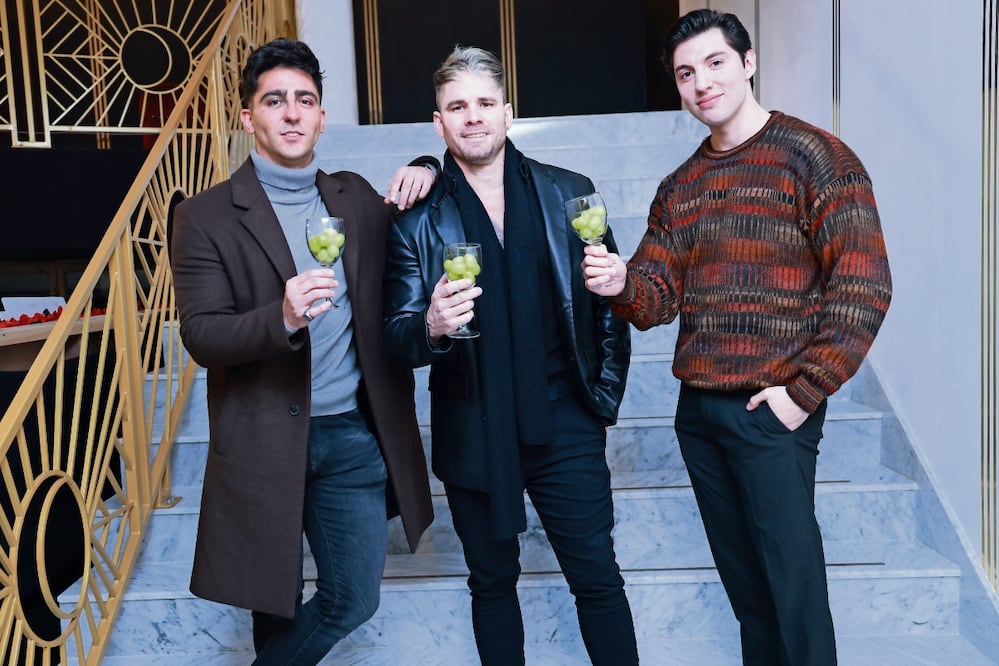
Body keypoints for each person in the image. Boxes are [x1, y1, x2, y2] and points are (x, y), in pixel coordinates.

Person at [582, 9, 892, 665]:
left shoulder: (816, 157)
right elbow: (655, 298)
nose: (701, 83)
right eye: (684, 73)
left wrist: (802, 393)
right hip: (699, 412)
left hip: (771, 408)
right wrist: (621, 283)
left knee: (793, 590)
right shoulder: (680, 186)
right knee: (749, 595)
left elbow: (864, 285)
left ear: (747, 63)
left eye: (714, 63)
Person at [169, 38, 436, 665]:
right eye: (274, 101)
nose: (291, 113)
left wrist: (428, 164)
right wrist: (281, 317)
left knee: (353, 598)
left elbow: (429, 216)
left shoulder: (356, 199)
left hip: (351, 436)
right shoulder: (205, 217)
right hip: (262, 438)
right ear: (248, 118)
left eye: (305, 100)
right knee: (275, 603)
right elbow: (202, 335)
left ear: (321, 117)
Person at [383, 46, 639, 665]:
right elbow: (395, 334)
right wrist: (431, 326)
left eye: (484, 103)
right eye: (457, 107)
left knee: (598, 580)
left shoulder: (570, 193)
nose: (473, 117)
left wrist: (601, 399)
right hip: (472, 424)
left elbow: (608, 302)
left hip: (566, 420)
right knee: (492, 583)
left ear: (507, 112)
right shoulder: (414, 220)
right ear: (438, 123)